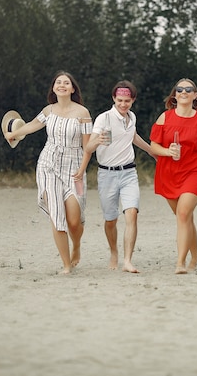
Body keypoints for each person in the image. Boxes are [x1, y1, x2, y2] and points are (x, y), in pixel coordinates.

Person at [5, 70, 92, 275]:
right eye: (58, 82)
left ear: (72, 88)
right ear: (53, 87)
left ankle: (76, 246)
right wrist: (13, 134)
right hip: (48, 166)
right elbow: (31, 126)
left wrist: (81, 170)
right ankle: (66, 265)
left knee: (74, 219)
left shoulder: (83, 113)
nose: (62, 85)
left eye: (66, 83)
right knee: (57, 215)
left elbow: (87, 147)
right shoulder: (48, 110)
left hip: (74, 168)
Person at [149, 78, 197, 274]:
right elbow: (153, 146)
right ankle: (195, 256)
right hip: (169, 173)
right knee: (185, 217)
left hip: (195, 171)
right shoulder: (164, 118)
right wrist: (167, 152)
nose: (183, 92)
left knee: (183, 213)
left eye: (188, 89)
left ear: (195, 95)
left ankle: (180, 263)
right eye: (179, 89)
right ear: (174, 95)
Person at [85, 80, 155, 273]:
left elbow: (133, 136)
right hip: (107, 174)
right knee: (111, 219)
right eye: (120, 100)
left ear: (133, 100)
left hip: (129, 172)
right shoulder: (103, 119)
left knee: (132, 213)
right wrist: (97, 140)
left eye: (127, 101)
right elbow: (88, 148)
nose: (123, 104)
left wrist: (152, 152)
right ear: (114, 99)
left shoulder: (131, 117)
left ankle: (127, 261)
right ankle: (114, 252)